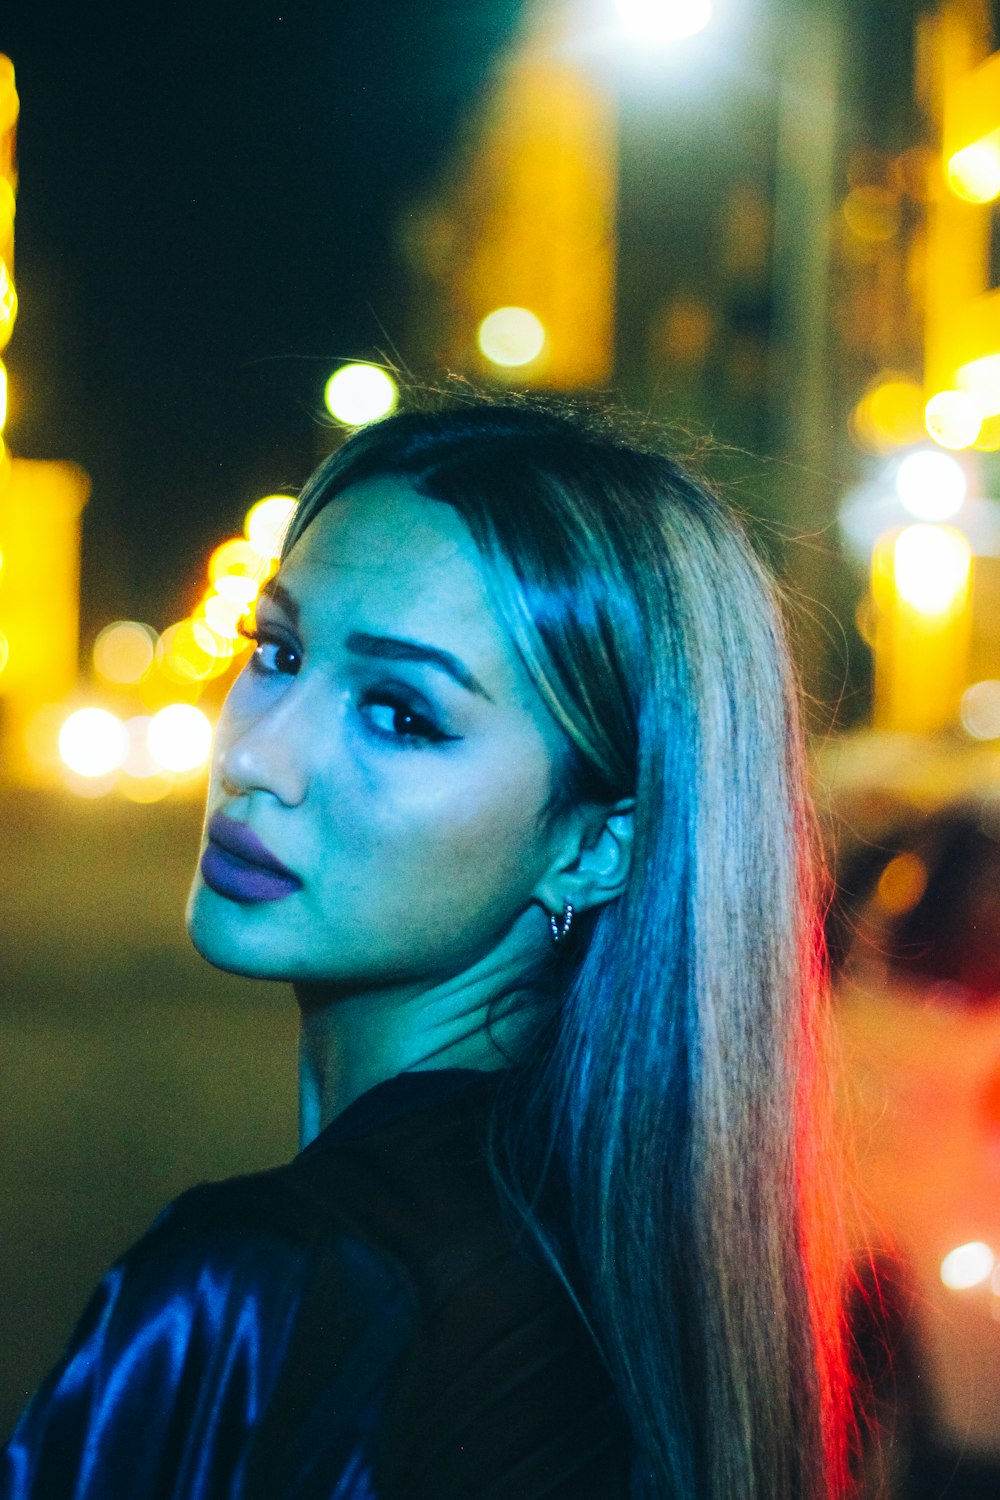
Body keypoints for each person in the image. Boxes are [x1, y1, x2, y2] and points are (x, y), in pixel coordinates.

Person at [1, 398, 855, 1499]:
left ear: (596, 847)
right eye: (277, 649)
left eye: (402, 713)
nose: (261, 753)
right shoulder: (642, 1271)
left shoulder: (258, 1292)